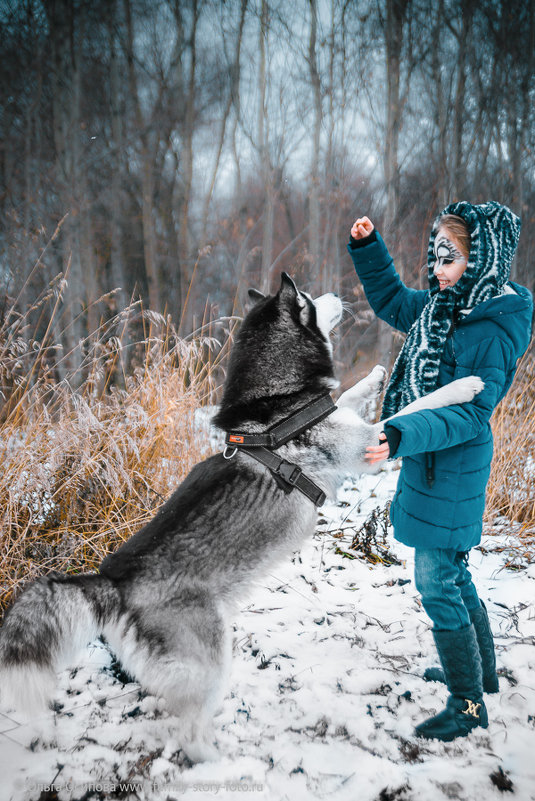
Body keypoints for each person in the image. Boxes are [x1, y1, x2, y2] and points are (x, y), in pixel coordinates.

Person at [347, 201, 533, 741]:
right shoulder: (442, 307)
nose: (436, 268)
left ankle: (468, 704)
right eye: (434, 256)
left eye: (448, 257)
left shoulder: (491, 329)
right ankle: (483, 675)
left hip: (453, 464)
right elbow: (390, 299)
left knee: (436, 580)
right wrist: (369, 247)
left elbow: (471, 412)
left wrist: (403, 433)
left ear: (482, 259)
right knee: (454, 571)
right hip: (433, 462)